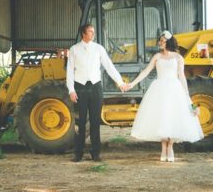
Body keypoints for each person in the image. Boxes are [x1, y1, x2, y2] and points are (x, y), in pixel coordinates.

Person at [126, 30, 204, 162]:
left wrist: (187, 96)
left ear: (168, 42)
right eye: (160, 40)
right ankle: (163, 147)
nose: (160, 43)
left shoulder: (178, 58)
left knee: (173, 117)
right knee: (161, 117)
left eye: (162, 41)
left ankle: (170, 146)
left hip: (174, 89)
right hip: (159, 88)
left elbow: (182, 77)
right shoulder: (157, 56)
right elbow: (146, 71)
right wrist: (132, 84)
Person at [66, 24, 127, 162]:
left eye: (93, 31)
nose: (93, 34)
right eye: (90, 31)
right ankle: (78, 153)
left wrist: (120, 82)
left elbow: (109, 66)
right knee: (80, 123)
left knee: (95, 122)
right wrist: (71, 90)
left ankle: (96, 153)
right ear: (83, 33)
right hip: (80, 88)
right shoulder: (74, 49)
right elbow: (69, 71)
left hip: (95, 88)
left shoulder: (99, 48)